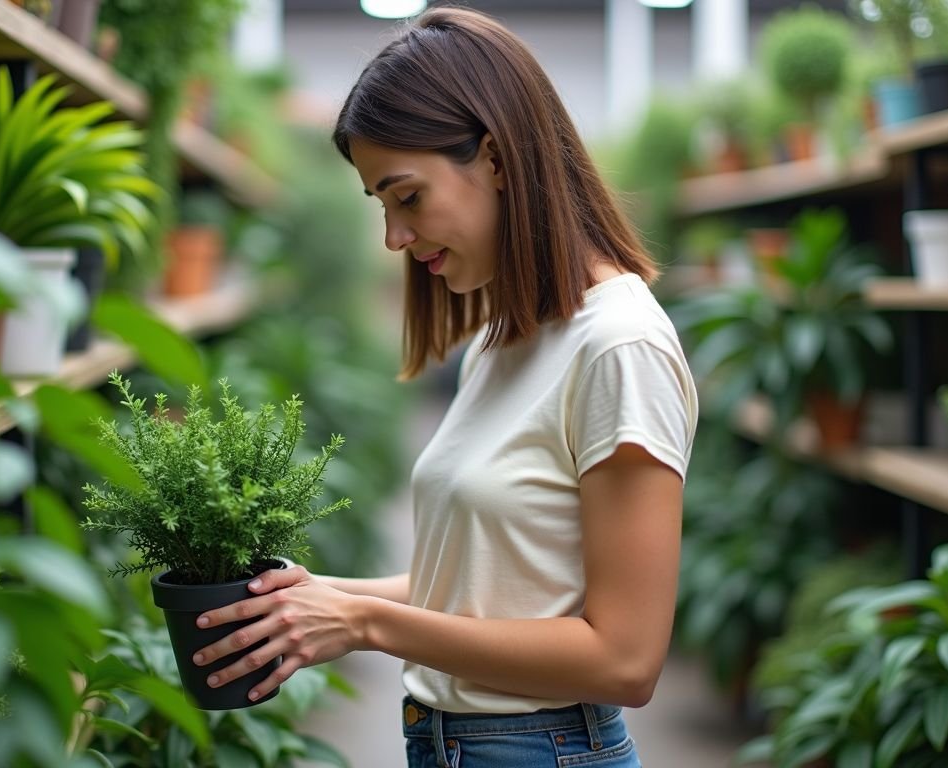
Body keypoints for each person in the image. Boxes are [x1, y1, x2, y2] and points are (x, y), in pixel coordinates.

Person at [190, 7, 697, 766]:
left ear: (494, 158)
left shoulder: (618, 345)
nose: (394, 237)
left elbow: (624, 661)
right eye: (382, 206)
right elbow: (489, 582)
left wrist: (364, 626)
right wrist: (324, 596)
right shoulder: (510, 334)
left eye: (408, 197)